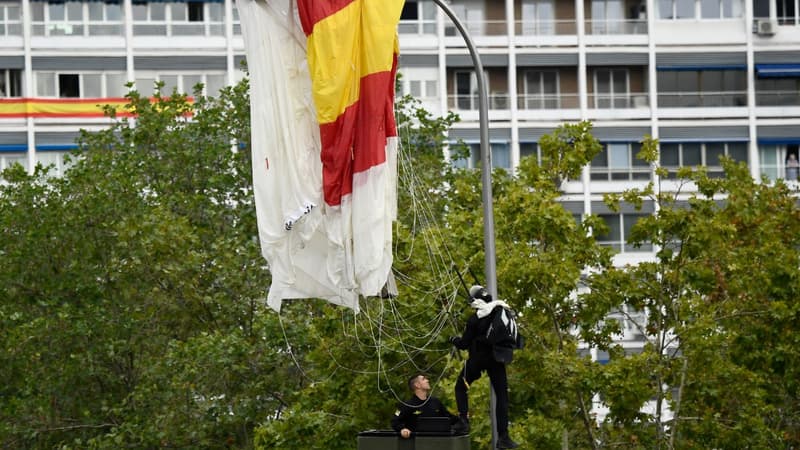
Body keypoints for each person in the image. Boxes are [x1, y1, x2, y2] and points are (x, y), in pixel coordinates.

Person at [451, 285, 520, 449]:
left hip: (478, 359)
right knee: (502, 397)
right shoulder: (499, 309)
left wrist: (454, 340)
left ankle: (464, 421)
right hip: (497, 359)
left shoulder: (475, 318)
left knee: (461, 387)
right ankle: (504, 437)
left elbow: (464, 344)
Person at [391, 373, 463, 438]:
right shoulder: (406, 405)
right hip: (416, 443)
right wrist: (402, 429)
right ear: (417, 385)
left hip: (437, 442)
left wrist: (462, 416)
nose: (427, 380)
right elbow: (395, 421)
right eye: (423, 379)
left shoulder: (436, 402)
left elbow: (449, 418)